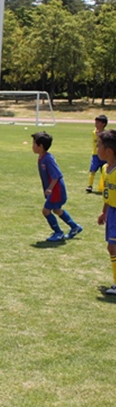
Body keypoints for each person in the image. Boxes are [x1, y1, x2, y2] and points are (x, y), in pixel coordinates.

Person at [32, 131, 82, 242]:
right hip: (54, 190)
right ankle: (75, 227)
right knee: (57, 210)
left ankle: (58, 232)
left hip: (56, 190)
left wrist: (50, 188)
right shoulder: (42, 157)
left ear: (40, 146)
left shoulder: (48, 159)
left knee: (46, 211)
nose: (32, 146)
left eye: (34, 143)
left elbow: (57, 175)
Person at [97, 130, 116, 294]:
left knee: (113, 247)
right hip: (111, 212)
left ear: (109, 151)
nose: (97, 148)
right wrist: (104, 212)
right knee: (112, 248)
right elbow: (107, 195)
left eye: (99, 145)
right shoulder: (105, 169)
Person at [87, 114, 108, 193]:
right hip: (95, 155)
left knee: (104, 171)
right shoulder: (94, 132)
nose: (96, 124)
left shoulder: (105, 134)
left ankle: (105, 186)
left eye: (98, 122)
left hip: (104, 155)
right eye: (95, 122)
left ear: (103, 124)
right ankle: (89, 186)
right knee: (93, 170)